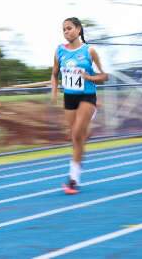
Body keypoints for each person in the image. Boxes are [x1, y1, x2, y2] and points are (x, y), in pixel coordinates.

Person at [51, 17, 108, 194]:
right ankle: (78, 163)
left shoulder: (89, 51)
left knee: (76, 134)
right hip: (69, 98)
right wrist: (53, 91)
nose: (66, 32)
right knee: (76, 138)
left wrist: (89, 77)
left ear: (78, 29)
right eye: (64, 30)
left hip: (87, 95)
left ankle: (73, 179)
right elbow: (54, 75)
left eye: (69, 28)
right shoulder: (59, 51)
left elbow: (104, 76)